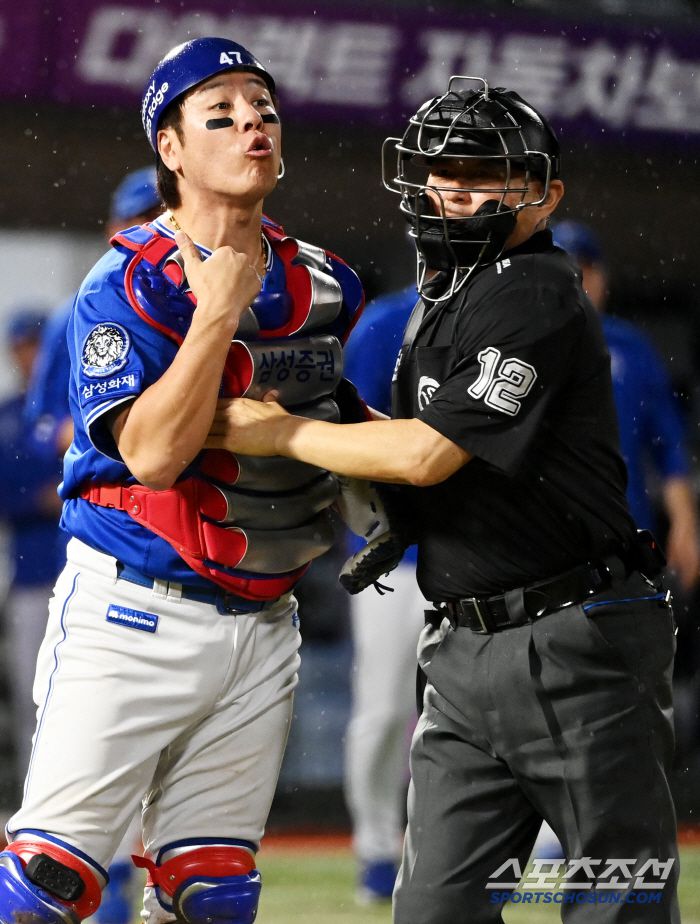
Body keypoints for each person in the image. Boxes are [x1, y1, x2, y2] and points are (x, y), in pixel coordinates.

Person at [207, 76, 680, 922]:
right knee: (432, 908)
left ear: (543, 193)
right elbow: (421, 449)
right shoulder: (448, 290)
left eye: (482, 171)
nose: (455, 186)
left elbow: (428, 454)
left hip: (574, 639)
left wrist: (275, 435)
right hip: (465, 642)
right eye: (440, 167)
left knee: (617, 901)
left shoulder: (532, 287)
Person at [0, 36, 364, 924]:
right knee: (50, 883)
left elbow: (334, 426)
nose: (253, 128)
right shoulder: (122, 286)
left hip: (266, 618)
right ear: (170, 148)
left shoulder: (325, 284)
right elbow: (154, 455)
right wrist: (218, 313)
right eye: (222, 115)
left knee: (211, 892)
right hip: (131, 610)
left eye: (264, 112)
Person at [21, 164, 164, 924]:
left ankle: (140, 889)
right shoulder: (82, 309)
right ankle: (96, 892)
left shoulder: (214, 309)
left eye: (158, 211)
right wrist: (126, 432)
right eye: (136, 215)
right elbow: (49, 429)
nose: (147, 226)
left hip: (187, 560)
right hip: (103, 546)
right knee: (85, 733)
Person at [551, 220, 700, 592]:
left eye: (585, 269)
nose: (578, 281)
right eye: (565, 270)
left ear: (602, 277)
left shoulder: (631, 348)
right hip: (542, 540)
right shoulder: (517, 344)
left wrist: (685, 525)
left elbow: (669, 448)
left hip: (622, 537)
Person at [342, 285, 426, 903]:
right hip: (395, 554)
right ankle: (376, 845)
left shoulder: (506, 307)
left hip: (484, 551)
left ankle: (519, 844)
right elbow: (349, 429)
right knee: (384, 710)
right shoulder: (390, 321)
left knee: (490, 710)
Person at [0, 308, 61, 781]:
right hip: (31, 572)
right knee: (30, 696)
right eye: (22, 346)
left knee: (83, 697)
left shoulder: (74, 407)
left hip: (86, 571)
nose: (30, 355)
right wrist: (37, 499)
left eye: (37, 344)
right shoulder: (8, 418)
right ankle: (31, 804)